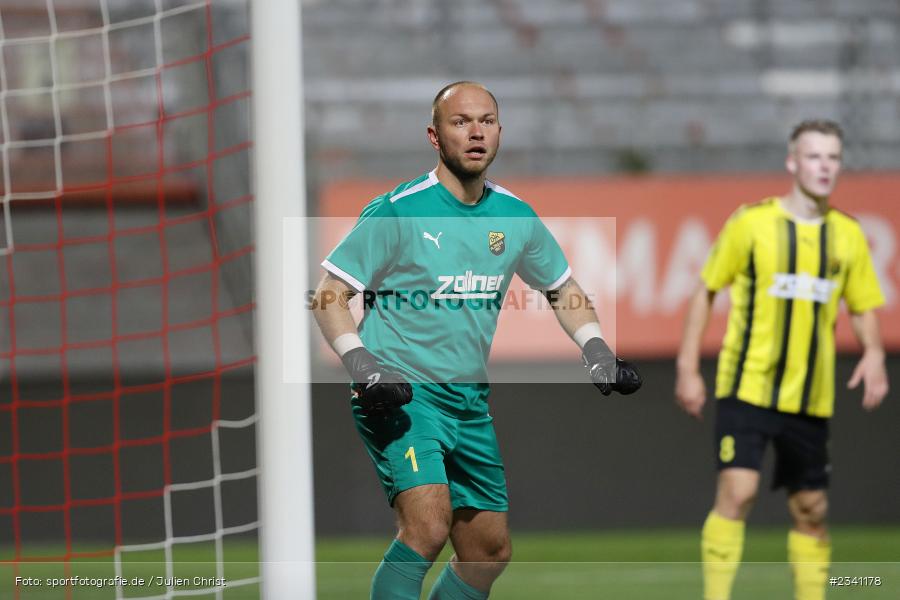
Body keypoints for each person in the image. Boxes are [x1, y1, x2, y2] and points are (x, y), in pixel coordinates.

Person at [312, 81, 641, 599]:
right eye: (460, 121)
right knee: (427, 528)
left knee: (489, 551)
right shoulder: (399, 210)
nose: (475, 132)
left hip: (467, 401)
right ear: (434, 135)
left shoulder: (514, 216)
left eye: (486, 121)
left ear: (499, 133)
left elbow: (563, 288)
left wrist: (596, 348)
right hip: (401, 393)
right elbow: (329, 294)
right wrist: (362, 364)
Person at [675, 119, 889, 600]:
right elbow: (705, 289)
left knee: (811, 510)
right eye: (814, 156)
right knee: (739, 492)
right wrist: (688, 368)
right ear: (793, 162)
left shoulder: (848, 235)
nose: (824, 166)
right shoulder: (752, 223)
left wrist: (874, 353)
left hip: (810, 396)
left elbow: (863, 306)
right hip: (747, 385)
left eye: (833, 157)